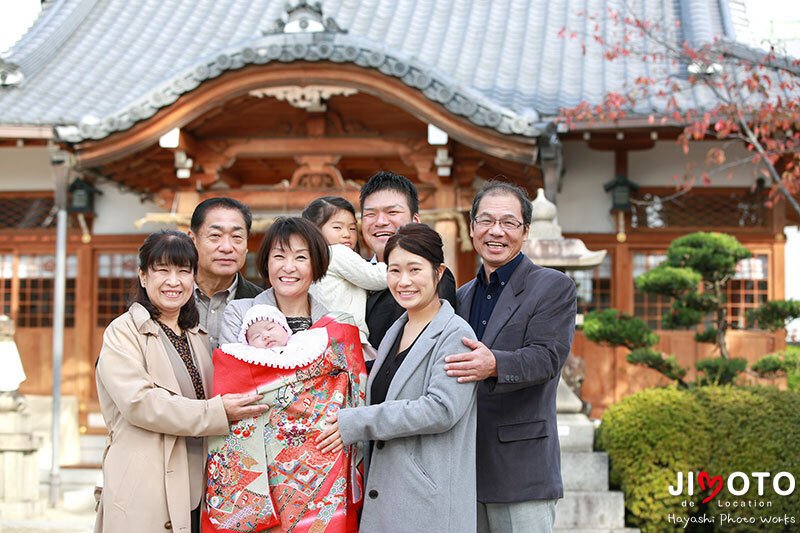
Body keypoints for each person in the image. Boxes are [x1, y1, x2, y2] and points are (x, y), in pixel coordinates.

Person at [93, 230, 268, 533]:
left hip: (197, 485)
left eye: (183, 271)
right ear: (143, 276)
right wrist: (217, 413)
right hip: (144, 485)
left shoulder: (197, 336)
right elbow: (140, 403)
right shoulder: (123, 332)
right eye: (162, 270)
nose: (173, 281)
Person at [316, 223, 478, 532]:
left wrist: (357, 421)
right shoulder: (396, 330)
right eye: (394, 270)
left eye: (415, 269)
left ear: (439, 272)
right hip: (386, 493)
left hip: (426, 501)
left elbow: (440, 410)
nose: (404, 281)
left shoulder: (455, 333)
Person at [209, 232, 367, 531]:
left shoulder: (338, 321)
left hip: (325, 465)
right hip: (259, 465)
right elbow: (235, 380)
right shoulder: (241, 313)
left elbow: (356, 391)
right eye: (279, 256)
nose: (289, 266)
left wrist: (347, 423)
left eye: (301, 257)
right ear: (266, 263)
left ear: (317, 265)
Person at [444, 181, 577, 533]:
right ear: (471, 227)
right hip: (464, 468)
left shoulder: (552, 286)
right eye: (486, 221)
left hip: (522, 469)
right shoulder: (460, 296)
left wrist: (495, 364)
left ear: (525, 231)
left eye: (509, 222)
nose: (496, 231)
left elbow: (547, 358)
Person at [360, 171, 457, 349]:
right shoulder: (355, 273)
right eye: (370, 214)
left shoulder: (434, 276)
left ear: (415, 220)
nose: (380, 221)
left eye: (392, 212)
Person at [302, 196, 387, 345]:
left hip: (324, 337)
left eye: (352, 228)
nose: (347, 234)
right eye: (337, 227)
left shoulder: (313, 259)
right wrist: (398, 264)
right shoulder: (336, 252)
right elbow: (377, 278)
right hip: (345, 337)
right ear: (314, 230)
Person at [189, 197, 263, 349]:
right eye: (215, 235)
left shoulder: (261, 303)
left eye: (237, 237)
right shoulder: (170, 296)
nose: (227, 247)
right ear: (193, 240)